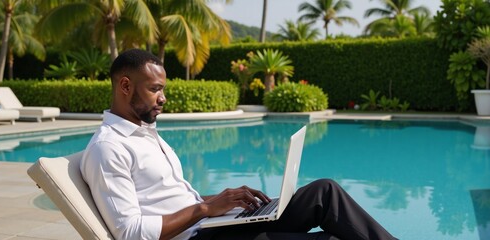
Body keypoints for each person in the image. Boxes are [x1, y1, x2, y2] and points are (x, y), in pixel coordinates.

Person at [81, 49, 398, 240]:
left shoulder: (145, 132)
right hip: (199, 237)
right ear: (125, 85)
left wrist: (227, 201)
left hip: (212, 226)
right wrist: (206, 208)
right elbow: (130, 233)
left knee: (324, 192)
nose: (163, 98)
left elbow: (167, 199)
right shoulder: (109, 148)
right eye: (155, 89)